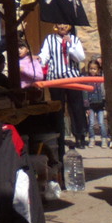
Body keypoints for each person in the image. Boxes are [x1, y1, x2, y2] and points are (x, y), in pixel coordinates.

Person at [38, 23, 87, 157]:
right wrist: (40, 60)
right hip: (56, 78)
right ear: (56, 26)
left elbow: (80, 58)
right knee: (58, 107)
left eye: (65, 24)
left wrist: (71, 45)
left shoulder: (75, 40)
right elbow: (45, 55)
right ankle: (58, 133)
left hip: (72, 78)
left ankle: (79, 135)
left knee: (76, 107)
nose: (62, 27)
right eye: (59, 24)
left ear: (69, 27)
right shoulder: (50, 39)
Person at [84, 58, 110, 147]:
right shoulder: (87, 80)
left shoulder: (101, 79)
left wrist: (105, 104)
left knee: (102, 123)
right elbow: (85, 93)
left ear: (98, 70)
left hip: (100, 105)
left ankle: (104, 139)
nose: (92, 70)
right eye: (91, 68)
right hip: (91, 105)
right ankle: (92, 139)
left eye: (94, 68)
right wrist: (86, 107)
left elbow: (104, 92)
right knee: (91, 123)